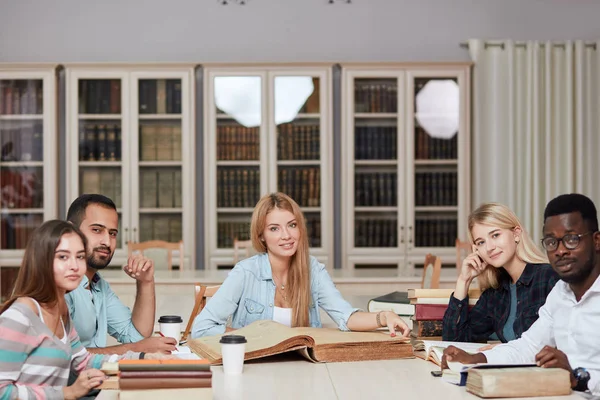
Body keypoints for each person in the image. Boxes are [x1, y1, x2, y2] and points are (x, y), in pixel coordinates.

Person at [191, 192, 410, 338]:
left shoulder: (313, 270)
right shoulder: (246, 272)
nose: (286, 235)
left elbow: (347, 317)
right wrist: (250, 337)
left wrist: (385, 316)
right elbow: (201, 329)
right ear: (262, 236)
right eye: (274, 228)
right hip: (255, 371)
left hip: (305, 372)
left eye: (292, 225)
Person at [443, 193, 600, 395]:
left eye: (571, 239)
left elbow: (574, 373)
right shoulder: (560, 292)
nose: (560, 251)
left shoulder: (550, 279)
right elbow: (528, 346)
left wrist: (576, 377)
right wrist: (476, 359)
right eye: (552, 242)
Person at [0, 220, 164, 399]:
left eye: (80, 257)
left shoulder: (61, 311)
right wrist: (67, 393)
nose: (75, 266)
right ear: (41, 261)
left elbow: (83, 361)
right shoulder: (21, 315)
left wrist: (142, 360)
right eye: (63, 257)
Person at [65, 194, 176, 354]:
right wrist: (132, 349)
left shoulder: (98, 285)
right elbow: (62, 356)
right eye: (97, 230)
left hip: (95, 377)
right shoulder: (61, 285)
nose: (107, 242)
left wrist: (145, 282)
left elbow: (136, 337)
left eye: (112, 233)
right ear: (71, 231)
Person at [442, 202, 559, 343]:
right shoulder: (495, 294)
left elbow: (564, 343)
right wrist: (463, 280)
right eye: (481, 242)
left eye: (495, 235)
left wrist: (504, 352)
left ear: (516, 234)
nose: (490, 247)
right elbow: (453, 341)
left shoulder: (549, 277)